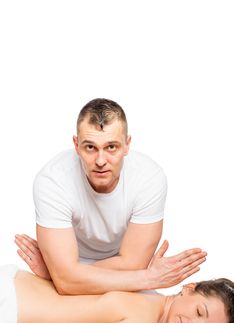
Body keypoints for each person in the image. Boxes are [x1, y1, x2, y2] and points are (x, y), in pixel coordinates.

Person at [15, 98, 207, 295]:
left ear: (127, 145)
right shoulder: (52, 180)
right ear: (76, 145)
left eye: (111, 147)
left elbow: (133, 264)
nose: (100, 161)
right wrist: (149, 278)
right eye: (90, 147)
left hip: (117, 271)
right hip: (110, 273)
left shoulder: (149, 178)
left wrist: (61, 275)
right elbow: (66, 282)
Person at [0, 264, 233, 323]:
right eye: (199, 312)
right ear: (189, 287)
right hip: (8, 305)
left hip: (12, 279)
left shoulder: (138, 278)